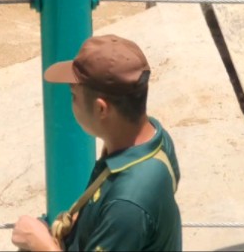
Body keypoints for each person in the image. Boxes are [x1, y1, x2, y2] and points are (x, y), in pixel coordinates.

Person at [12, 34, 182, 252]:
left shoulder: (126, 204)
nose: (71, 103)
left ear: (102, 109)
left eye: (74, 96)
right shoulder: (157, 139)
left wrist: (40, 244)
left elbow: (126, 214)